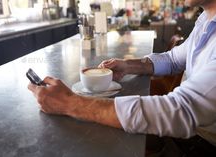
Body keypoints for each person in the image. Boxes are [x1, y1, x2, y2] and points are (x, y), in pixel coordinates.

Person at [28, 0, 216, 156]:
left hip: (201, 145)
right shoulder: (206, 19)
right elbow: (174, 59)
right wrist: (129, 66)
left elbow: (181, 110)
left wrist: (69, 103)